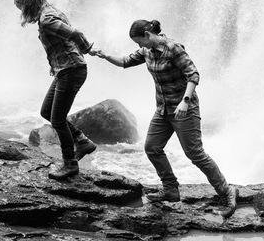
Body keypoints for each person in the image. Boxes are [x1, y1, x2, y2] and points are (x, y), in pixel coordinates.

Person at [91, 19, 237, 216]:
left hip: (184, 109)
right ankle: (171, 189)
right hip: (163, 109)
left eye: (139, 41)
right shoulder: (147, 51)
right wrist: (105, 55)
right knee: (152, 147)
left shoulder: (173, 48)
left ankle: (227, 192)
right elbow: (125, 62)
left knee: (195, 153)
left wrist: (185, 101)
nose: (139, 46)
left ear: (147, 35)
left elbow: (193, 75)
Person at [14, 0, 97, 180]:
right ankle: (82, 142)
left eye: (21, 8)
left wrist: (87, 48)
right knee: (47, 112)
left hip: (71, 70)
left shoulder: (47, 19)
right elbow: (65, 39)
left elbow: (75, 34)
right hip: (65, 69)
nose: (21, 13)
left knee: (58, 119)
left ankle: (70, 164)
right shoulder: (50, 10)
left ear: (29, 5)